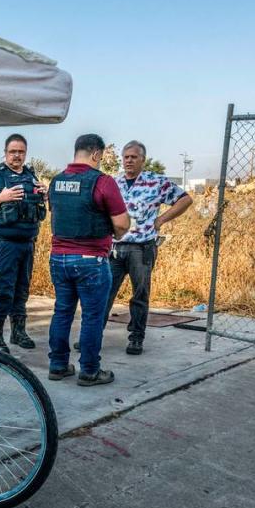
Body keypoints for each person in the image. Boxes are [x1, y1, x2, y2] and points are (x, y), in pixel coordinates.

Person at [47, 134, 129, 386]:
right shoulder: (103, 182)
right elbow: (122, 223)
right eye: (101, 157)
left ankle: (58, 365)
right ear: (95, 154)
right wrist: (115, 233)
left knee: (62, 311)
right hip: (91, 260)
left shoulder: (56, 181)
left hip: (58, 259)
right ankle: (90, 371)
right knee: (92, 316)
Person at [105, 140, 193, 355]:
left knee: (140, 295)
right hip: (115, 247)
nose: (129, 161)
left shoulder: (156, 182)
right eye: (126, 157)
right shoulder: (113, 182)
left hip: (141, 247)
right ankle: (93, 334)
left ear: (142, 160)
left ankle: (136, 337)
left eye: (134, 157)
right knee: (104, 292)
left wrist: (161, 219)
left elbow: (185, 199)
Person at [0, 134, 47, 352]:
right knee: (2, 289)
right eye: (13, 151)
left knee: (22, 289)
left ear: (26, 153)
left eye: (21, 151)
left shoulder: (31, 175)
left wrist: (44, 195)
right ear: (5, 152)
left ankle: (18, 332)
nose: (17, 155)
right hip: (3, 243)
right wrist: (0, 198)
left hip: (27, 242)